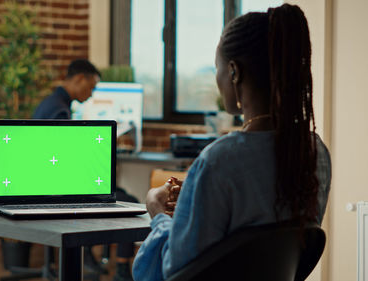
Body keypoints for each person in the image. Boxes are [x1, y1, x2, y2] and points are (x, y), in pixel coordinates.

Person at [132, 4, 332, 281]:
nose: (217, 79)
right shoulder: (314, 152)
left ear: (234, 72)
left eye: (218, 69)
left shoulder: (219, 160)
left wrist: (158, 212)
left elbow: (172, 271)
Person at [33, 59, 138, 281]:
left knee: (114, 191)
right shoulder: (59, 111)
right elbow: (64, 157)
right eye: (91, 87)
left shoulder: (50, 104)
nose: (91, 95)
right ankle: (120, 270)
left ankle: (92, 256)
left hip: (50, 183)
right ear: (79, 79)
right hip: (60, 189)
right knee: (129, 201)